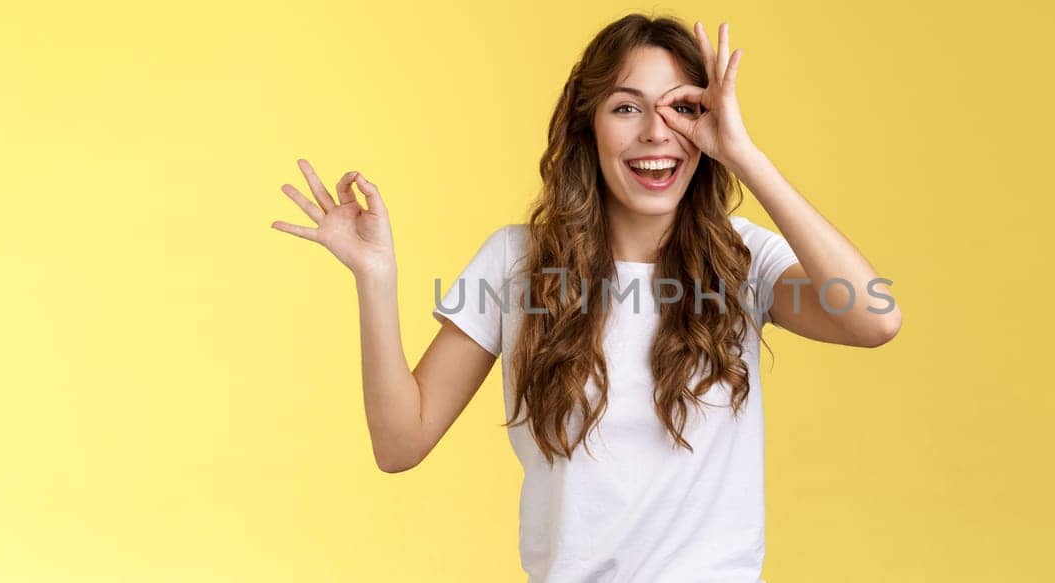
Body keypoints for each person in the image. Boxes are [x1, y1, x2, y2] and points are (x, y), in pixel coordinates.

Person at [270, 13, 901, 583]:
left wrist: (744, 154)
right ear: (588, 126)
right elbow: (399, 444)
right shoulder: (517, 264)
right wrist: (375, 278)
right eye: (626, 108)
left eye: (682, 108)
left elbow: (875, 318)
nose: (658, 132)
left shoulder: (741, 259)